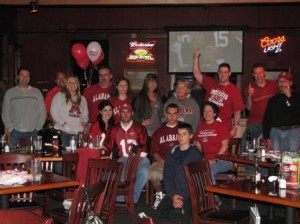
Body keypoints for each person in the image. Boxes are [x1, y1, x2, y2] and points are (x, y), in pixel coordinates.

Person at [156, 123, 203, 223]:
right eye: (179, 134)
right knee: (159, 215)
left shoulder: (195, 155)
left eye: (184, 134)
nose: (181, 137)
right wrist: (173, 195)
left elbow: (197, 180)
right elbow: (167, 177)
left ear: (190, 136)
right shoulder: (172, 153)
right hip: (174, 192)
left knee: (185, 218)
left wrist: (181, 197)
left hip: (189, 194)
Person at [193, 48, 244, 137]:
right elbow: (197, 74)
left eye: (225, 72)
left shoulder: (234, 90)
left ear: (229, 73)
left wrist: (235, 127)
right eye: (220, 72)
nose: (222, 74)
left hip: (223, 127)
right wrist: (196, 58)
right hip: (207, 125)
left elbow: (237, 111)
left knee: (221, 150)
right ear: (218, 73)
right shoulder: (211, 83)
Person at [106, 103, 150, 203]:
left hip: (139, 158)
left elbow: (144, 149)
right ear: (119, 114)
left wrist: (133, 163)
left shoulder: (140, 128)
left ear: (132, 113)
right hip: (122, 159)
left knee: (144, 171)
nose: (125, 114)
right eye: (123, 112)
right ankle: (121, 196)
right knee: (123, 165)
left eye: (128, 112)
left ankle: (132, 198)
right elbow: (108, 148)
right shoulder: (114, 129)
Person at [2, 67, 46, 147]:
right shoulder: (10, 93)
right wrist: (10, 129)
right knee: (13, 158)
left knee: (34, 158)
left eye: (27, 76)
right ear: (17, 77)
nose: (25, 78)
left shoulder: (36, 92)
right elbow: (5, 113)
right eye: (22, 75)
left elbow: (42, 112)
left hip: (33, 132)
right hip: (14, 133)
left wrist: (38, 128)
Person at [149, 103, 180, 209]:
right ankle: (160, 194)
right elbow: (154, 152)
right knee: (153, 174)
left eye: (174, 114)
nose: (172, 116)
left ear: (178, 115)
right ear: (166, 115)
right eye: (169, 114)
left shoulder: (183, 129)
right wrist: (162, 161)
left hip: (179, 162)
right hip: (162, 161)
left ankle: (181, 199)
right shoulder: (158, 132)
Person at [241, 63, 278, 150]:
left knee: (274, 148)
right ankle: (247, 162)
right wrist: (250, 95)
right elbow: (248, 108)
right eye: (256, 73)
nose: (259, 75)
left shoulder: (274, 85)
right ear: (253, 75)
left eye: (260, 72)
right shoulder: (249, 88)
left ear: (265, 73)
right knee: (246, 146)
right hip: (255, 123)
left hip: (271, 124)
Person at [194, 101, 231, 187]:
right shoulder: (200, 127)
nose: (207, 113)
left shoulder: (221, 126)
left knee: (207, 171)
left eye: (209, 111)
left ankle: (214, 199)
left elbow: (225, 145)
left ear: (215, 113)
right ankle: (200, 196)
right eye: (204, 111)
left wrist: (215, 160)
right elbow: (198, 145)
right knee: (193, 170)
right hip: (206, 160)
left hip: (222, 160)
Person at [263, 72, 300, 152]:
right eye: (280, 81)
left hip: (293, 132)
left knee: (291, 160)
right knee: (276, 159)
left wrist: (289, 97)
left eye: (284, 81)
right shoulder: (273, 99)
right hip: (275, 132)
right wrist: (267, 137)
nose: (282, 83)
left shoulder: (297, 97)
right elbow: (267, 118)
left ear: (290, 83)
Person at [51, 76, 89, 147]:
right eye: (70, 82)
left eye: (75, 82)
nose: (72, 84)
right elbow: (54, 112)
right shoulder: (60, 95)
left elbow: (85, 116)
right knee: (65, 156)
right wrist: (63, 124)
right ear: (67, 85)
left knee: (76, 156)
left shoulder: (82, 99)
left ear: (78, 85)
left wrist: (82, 126)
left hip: (77, 133)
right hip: (63, 132)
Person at [133, 73, 164, 143]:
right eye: (151, 82)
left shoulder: (157, 96)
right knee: (147, 150)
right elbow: (133, 114)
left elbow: (162, 114)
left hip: (158, 128)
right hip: (146, 129)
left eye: (155, 82)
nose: (153, 84)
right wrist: (141, 121)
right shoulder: (140, 96)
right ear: (146, 83)